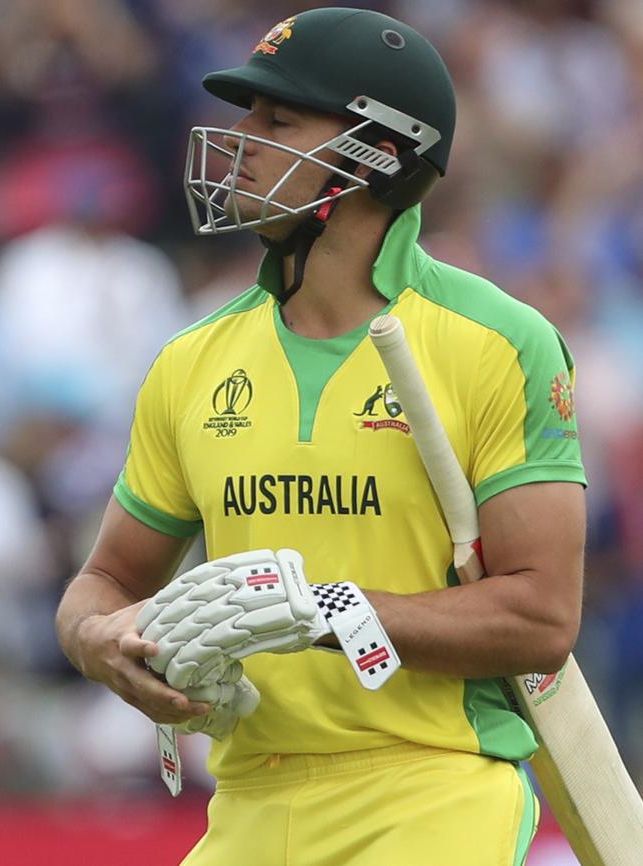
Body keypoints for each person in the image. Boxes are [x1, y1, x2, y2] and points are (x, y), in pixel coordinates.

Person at [56, 8, 587, 866]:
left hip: (429, 790)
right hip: (246, 801)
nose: (241, 141)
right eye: (246, 117)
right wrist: (98, 641)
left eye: (277, 120)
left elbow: (541, 613)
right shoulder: (192, 359)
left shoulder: (498, 341)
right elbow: (107, 579)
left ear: (377, 152)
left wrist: (334, 612)